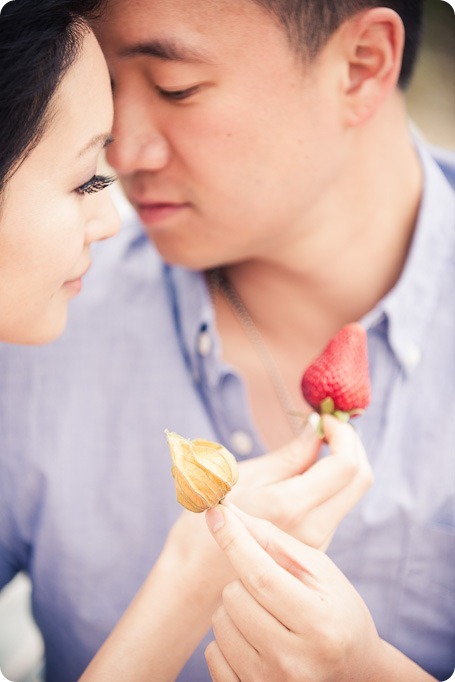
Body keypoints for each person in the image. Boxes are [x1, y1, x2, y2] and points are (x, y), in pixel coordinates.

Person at [0, 0, 453, 680]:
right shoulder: (35, 311)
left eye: (174, 88)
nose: (122, 154)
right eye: (112, 92)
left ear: (361, 66)